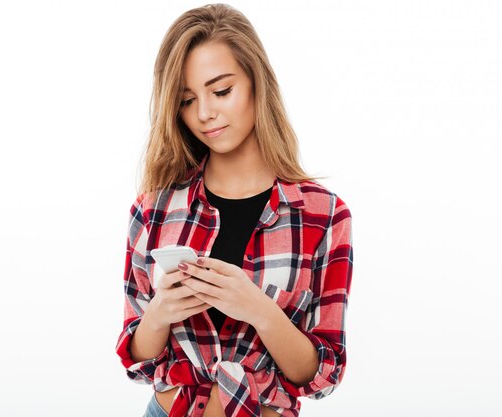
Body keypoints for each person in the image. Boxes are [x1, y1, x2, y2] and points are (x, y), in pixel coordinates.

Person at [114, 4, 354, 417]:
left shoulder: (323, 215)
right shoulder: (153, 208)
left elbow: (320, 374)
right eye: (187, 100)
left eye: (221, 91)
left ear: (256, 82)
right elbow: (136, 357)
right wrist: (160, 313)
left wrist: (259, 309)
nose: (204, 113)